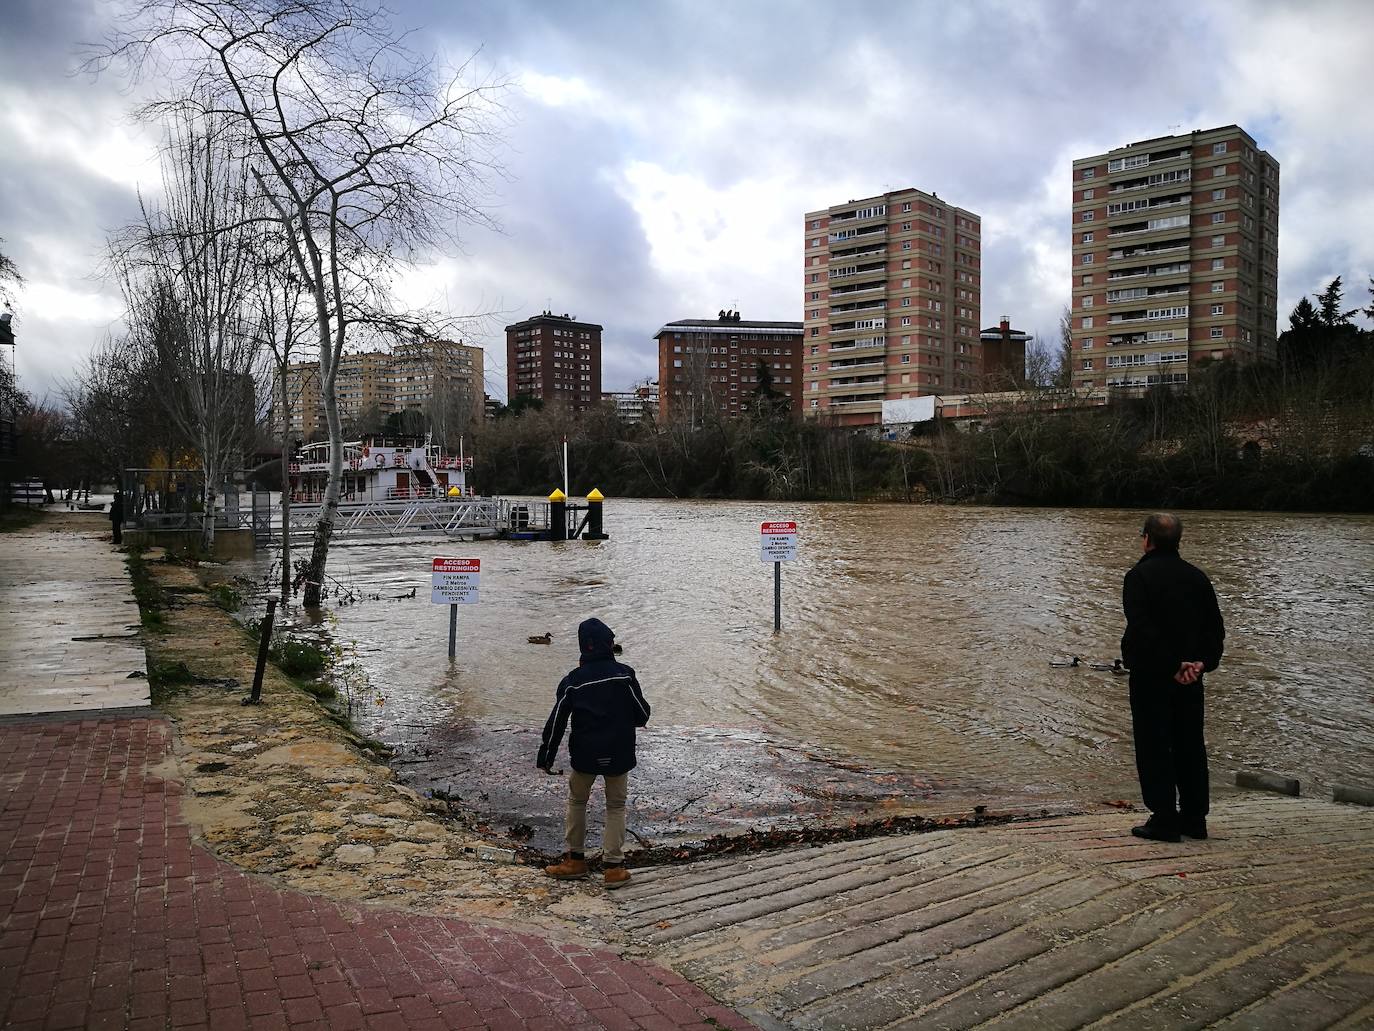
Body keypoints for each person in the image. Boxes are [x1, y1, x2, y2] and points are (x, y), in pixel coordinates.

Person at [1121, 513, 1225, 843]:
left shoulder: (1139, 577)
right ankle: (1195, 818)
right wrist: (1201, 664)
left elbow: (1142, 629)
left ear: (1148, 539)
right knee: (1189, 744)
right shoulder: (1197, 577)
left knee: (1154, 745)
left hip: (1153, 676)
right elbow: (1215, 630)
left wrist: (1172, 665)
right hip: (1191, 678)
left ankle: (1164, 818)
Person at [537, 618, 650, 888]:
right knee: (616, 806)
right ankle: (613, 867)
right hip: (619, 752)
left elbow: (556, 723)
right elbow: (642, 714)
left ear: (583, 647)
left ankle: (575, 860)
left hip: (585, 754)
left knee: (577, 802)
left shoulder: (573, 682)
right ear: (608, 644)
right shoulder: (625, 675)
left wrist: (546, 756)